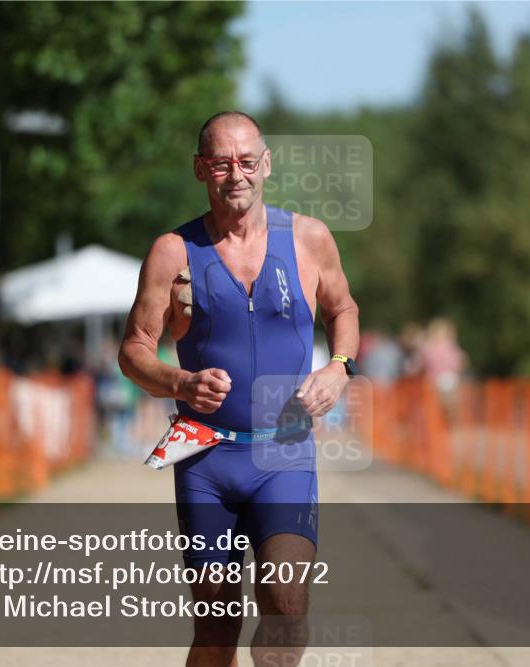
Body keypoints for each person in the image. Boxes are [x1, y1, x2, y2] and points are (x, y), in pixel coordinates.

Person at [119, 110, 360, 667]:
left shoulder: (308, 239)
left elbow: (343, 308)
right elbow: (133, 351)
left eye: (248, 161)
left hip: (285, 450)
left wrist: (340, 366)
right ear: (200, 169)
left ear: (266, 165)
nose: (237, 174)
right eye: (222, 163)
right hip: (204, 456)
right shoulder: (173, 253)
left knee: (285, 607)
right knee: (215, 629)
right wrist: (179, 380)